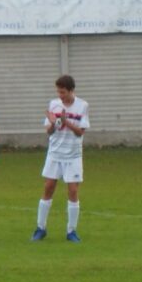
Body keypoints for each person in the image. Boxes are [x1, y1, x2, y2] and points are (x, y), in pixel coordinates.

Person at [33, 74, 89, 243]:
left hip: (73, 155)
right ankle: (40, 228)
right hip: (55, 153)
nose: (60, 96)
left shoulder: (83, 106)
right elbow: (49, 131)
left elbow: (81, 132)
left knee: (72, 190)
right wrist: (52, 123)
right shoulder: (54, 104)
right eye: (58, 92)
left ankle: (71, 231)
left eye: (63, 92)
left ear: (71, 91)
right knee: (48, 187)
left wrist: (67, 122)